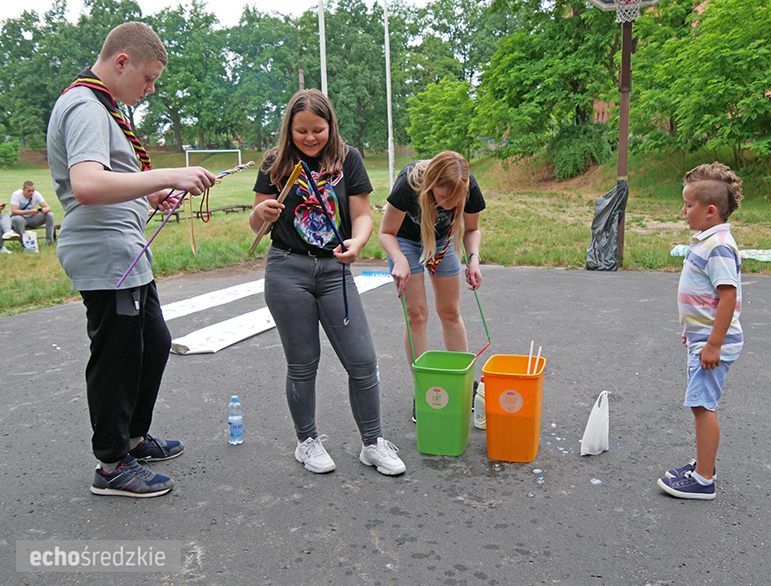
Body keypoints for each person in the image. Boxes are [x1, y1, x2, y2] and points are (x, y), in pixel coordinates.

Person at [47, 22, 216, 497]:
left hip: (126, 250)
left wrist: (153, 193)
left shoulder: (105, 109)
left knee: (153, 342)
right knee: (117, 358)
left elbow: (114, 180)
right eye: (147, 78)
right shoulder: (84, 106)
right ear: (121, 62)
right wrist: (169, 174)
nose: (150, 89)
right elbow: (88, 185)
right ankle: (111, 464)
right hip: (105, 256)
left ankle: (133, 439)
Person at [249, 88, 405, 476]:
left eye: (317, 129)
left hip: (335, 271)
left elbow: (363, 214)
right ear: (290, 128)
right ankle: (307, 441)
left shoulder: (348, 158)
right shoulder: (274, 161)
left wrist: (359, 241)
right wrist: (261, 211)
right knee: (303, 364)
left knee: (363, 361)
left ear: (330, 125)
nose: (310, 138)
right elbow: (256, 224)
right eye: (301, 131)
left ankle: (372, 443)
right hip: (287, 269)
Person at [657, 162, 744, 501]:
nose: (683, 211)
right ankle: (702, 465)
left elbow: (728, 296)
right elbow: (705, 298)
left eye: (689, 205)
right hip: (703, 339)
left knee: (702, 406)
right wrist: (695, 333)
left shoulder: (719, 245)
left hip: (713, 344)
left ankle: (704, 479)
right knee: (700, 404)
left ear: (710, 210)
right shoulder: (708, 239)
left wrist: (713, 344)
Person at [378, 151, 485, 421]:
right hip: (405, 243)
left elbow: (471, 230)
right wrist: (399, 260)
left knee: (450, 311)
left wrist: (473, 259)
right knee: (417, 314)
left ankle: (461, 384)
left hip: (443, 242)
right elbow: (386, 232)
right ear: (430, 185)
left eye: (455, 200)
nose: (449, 206)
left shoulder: (468, 186)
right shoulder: (408, 184)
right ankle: (426, 388)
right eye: (441, 198)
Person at [8, 182, 57, 246]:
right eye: (29, 191)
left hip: (32, 218)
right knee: (17, 219)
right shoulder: (16, 194)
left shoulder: (36, 194)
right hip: (20, 219)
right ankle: (24, 243)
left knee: (50, 215)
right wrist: (29, 211)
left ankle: (49, 241)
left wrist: (43, 210)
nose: (31, 193)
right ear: (23, 189)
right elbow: (14, 211)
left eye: (33, 190)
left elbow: (48, 208)